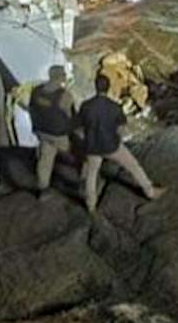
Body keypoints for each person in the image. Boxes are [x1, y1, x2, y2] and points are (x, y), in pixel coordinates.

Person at [76, 72, 163, 213]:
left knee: (91, 176)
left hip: (93, 147)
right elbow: (122, 126)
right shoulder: (114, 107)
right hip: (112, 145)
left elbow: (80, 125)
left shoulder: (86, 106)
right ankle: (150, 191)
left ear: (95, 88)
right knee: (133, 166)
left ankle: (90, 205)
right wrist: (117, 137)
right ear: (108, 88)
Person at [25, 64, 77, 197]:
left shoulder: (36, 91)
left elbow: (31, 109)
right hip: (59, 135)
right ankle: (81, 183)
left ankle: (43, 189)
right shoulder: (64, 95)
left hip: (42, 131)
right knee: (80, 152)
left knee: (45, 159)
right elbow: (71, 117)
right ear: (60, 77)